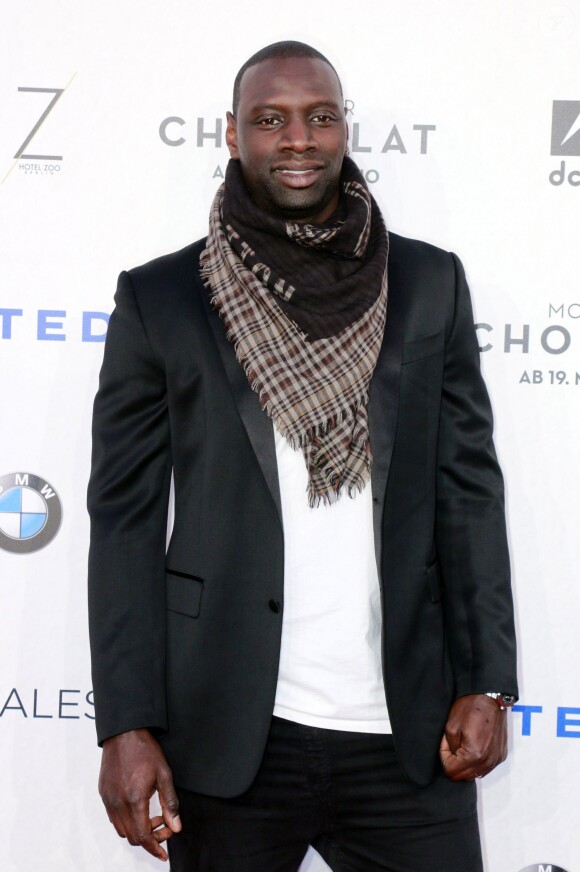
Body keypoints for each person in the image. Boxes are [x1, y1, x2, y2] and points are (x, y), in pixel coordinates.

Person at [87, 40, 518, 872]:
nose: (299, 139)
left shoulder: (428, 284)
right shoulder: (164, 299)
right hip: (230, 736)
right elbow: (125, 524)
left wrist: (487, 680)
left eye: (320, 117)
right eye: (271, 119)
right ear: (232, 133)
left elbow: (469, 493)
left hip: (406, 729)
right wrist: (126, 724)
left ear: (343, 129)